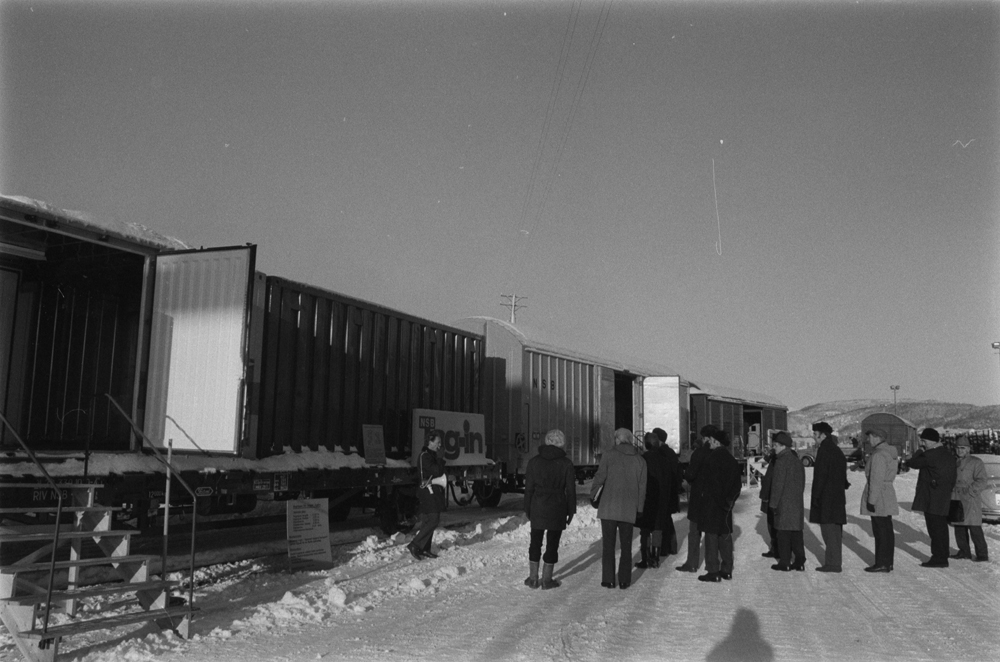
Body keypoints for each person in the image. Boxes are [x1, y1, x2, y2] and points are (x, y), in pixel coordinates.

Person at [591, 428, 647, 589]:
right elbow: (642, 487)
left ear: (617, 439)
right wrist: (640, 508)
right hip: (629, 508)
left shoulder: (608, 455)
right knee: (626, 545)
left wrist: (593, 494)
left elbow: (600, 477)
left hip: (609, 507)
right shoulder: (640, 460)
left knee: (608, 546)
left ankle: (608, 580)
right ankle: (624, 580)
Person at [523, 429, 577, 589]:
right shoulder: (566, 463)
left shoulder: (533, 462)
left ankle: (533, 579)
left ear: (546, 442)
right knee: (552, 543)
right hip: (557, 506)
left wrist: (527, 508)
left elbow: (529, 489)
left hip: (538, 505)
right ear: (562, 444)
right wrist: (571, 510)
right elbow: (570, 490)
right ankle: (547, 580)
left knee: (535, 542)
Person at [905, 427, 957, 568]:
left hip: (932, 497)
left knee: (935, 529)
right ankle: (943, 555)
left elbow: (912, 463)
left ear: (932, 441)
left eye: (924, 440)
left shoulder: (930, 455)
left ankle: (939, 558)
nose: (923, 443)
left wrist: (920, 451)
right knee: (941, 528)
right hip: (943, 496)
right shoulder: (947, 454)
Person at [697, 428, 742, 583]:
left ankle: (713, 571)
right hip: (726, 505)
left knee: (711, 537)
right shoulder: (731, 459)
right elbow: (737, 486)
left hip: (712, 503)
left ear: (716, 441)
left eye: (711, 440)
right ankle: (727, 569)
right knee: (725, 535)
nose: (709, 442)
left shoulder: (712, 459)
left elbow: (711, 484)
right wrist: (729, 501)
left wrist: (714, 500)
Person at [809, 421, 848, 572]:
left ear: (823, 435)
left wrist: (817, 497)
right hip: (837, 497)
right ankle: (834, 562)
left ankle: (833, 564)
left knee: (829, 532)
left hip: (827, 498)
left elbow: (820, 476)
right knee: (835, 533)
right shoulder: (836, 450)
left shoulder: (825, 450)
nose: (814, 436)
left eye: (815, 434)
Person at [676, 425, 716, 572]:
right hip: (714, 498)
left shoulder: (699, 453)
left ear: (705, 437)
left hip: (699, 497)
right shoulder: (719, 453)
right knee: (711, 533)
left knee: (694, 532)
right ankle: (712, 565)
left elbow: (691, 474)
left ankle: (692, 563)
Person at [861, 428, 898, 573]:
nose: (868, 440)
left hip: (879, 495)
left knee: (881, 530)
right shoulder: (889, 452)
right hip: (887, 492)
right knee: (887, 530)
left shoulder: (878, 455)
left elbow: (876, 479)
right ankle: (888, 562)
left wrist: (871, 500)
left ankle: (882, 562)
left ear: (877, 437)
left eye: (870, 437)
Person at [768, 431, 806, 571]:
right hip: (796, 503)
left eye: (776, 445)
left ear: (783, 446)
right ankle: (800, 561)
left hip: (783, 504)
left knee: (783, 533)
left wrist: (773, 504)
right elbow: (802, 483)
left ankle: (785, 562)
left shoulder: (781, 462)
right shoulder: (797, 461)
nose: (774, 448)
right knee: (796, 534)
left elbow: (777, 486)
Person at [635, 432, 673, 569]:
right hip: (662, 499)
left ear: (646, 444)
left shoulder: (642, 459)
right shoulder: (665, 460)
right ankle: (655, 558)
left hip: (646, 499)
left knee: (645, 529)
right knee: (657, 529)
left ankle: (645, 558)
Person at [950, 436, 989, 562]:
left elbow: (982, 480)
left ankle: (982, 554)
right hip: (956, 497)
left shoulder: (976, 462)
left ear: (968, 449)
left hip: (970, 499)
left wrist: (970, 492)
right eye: (958, 448)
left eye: (962, 448)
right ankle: (964, 551)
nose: (960, 450)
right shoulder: (953, 461)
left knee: (974, 527)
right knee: (959, 527)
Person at [408, 433, 447, 560]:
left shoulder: (430, 456)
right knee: (434, 519)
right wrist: (440, 459)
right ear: (430, 442)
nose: (440, 445)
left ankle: (425, 548)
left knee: (427, 520)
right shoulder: (425, 456)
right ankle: (414, 544)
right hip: (427, 491)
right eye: (438, 442)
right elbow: (436, 471)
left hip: (431, 490)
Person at [653, 427, 682, 557]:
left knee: (661, 521)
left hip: (663, 491)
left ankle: (664, 548)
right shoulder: (671, 453)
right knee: (667, 519)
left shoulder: (659, 453)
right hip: (671, 491)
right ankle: (672, 546)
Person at [757, 443, 779, 559]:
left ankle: (778, 549)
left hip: (773, 495)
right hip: (768, 495)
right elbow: (759, 467)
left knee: (775, 525)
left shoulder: (779, 460)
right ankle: (774, 548)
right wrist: (767, 456)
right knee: (771, 524)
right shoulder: (771, 458)